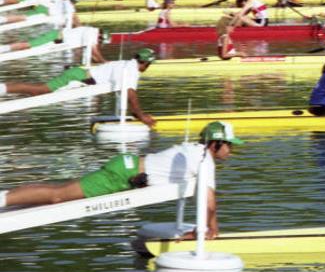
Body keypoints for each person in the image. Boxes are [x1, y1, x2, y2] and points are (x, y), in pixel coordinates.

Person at [0, 121, 242, 239]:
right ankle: (3, 198)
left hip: (127, 169)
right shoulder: (203, 159)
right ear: (215, 143)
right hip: (123, 173)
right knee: (58, 196)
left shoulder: (196, 152)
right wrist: (212, 230)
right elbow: (209, 202)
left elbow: (207, 200)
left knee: (58, 192)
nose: (230, 151)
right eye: (228, 145)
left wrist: (209, 228)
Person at [0, 48, 157, 127]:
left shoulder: (126, 64)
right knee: (39, 91)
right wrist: (141, 116)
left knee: (38, 91)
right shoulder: (131, 70)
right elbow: (131, 94)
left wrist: (135, 113)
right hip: (76, 77)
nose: (149, 66)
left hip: (80, 75)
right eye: (149, 64)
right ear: (145, 63)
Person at [0, 25, 106, 64]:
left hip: (57, 39)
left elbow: (91, 53)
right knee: (28, 45)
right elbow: (95, 51)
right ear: (100, 36)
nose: (99, 43)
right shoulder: (92, 34)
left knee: (27, 47)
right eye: (100, 41)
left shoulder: (91, 31)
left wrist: (97, 61)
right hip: (55, 37)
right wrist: (105, 62)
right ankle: (3, 48)